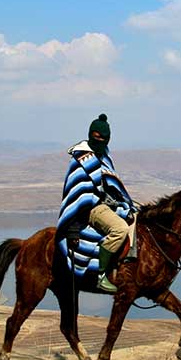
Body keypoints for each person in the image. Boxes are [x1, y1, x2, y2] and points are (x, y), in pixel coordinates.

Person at [57, 114, 135, 292]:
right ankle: (102, 275)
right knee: (120, 229)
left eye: (103, 138)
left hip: (105, 203)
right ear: (90, 134)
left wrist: (118, 200)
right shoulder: (83, 158)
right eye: (96, 136)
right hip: (91, 207)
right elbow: (78, 192)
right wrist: (74, 227)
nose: (99, 140)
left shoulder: (104, 154)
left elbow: (109, 183)